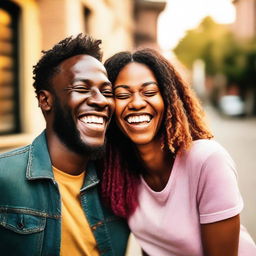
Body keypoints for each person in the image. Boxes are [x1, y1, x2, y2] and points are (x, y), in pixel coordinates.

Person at [101, 48, 256, 256]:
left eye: (149, 92)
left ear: (169, 98)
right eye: (122, 95)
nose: (137, 103)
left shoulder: (208, 160)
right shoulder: (119, 172)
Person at [0, 34, 129, 256]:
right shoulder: (4, 176)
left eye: (107, 92)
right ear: (45, 100)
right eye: (81, 88)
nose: (100, 100)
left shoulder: (118, 182)